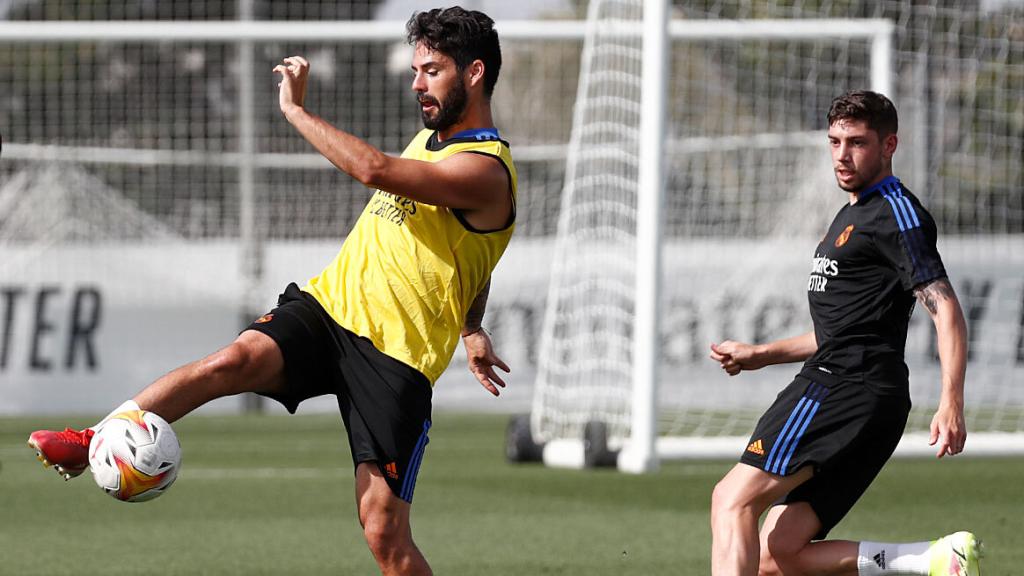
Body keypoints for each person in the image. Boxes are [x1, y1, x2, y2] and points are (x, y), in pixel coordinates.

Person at [27, 7, 514, 575]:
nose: (416, 83)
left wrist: (295, 110)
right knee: (231, 361)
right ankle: (90, 442)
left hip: (394, 360)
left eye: (431, 70)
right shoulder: (434, 139)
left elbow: (374, 170)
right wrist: (472, 325)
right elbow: (477, 253)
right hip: (329, 310)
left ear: (474, 72)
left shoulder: (486, 171)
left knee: (385, 535)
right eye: (415, 69)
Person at [708, 91, 981, 576]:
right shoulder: (853, 212)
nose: (841, 154)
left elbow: (946, 309)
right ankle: (933, 560)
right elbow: (841, 329)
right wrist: (760, 354)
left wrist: (951, 401)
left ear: (889, 144)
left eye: (856, 142)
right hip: (866, 395)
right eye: (834, 141)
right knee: (776, 554)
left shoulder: (897, 213)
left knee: (731, 501)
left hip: (842, 387)